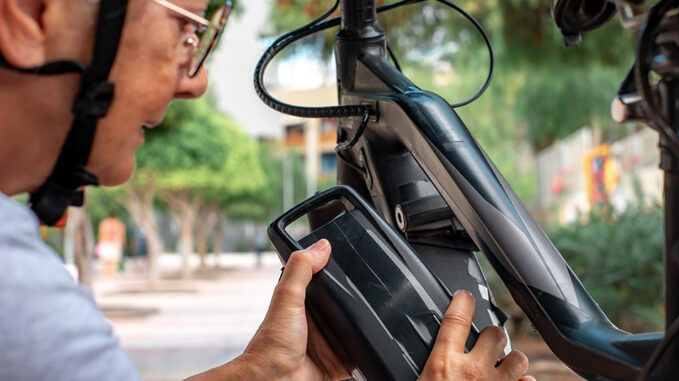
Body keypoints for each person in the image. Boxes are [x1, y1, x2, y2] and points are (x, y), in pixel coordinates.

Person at [0, 0, 535, 380]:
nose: (196, 80)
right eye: (187, 34)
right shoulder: (16, 288)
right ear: (31, 15)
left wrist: (263, 375)